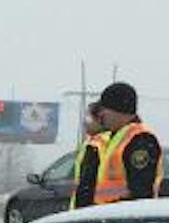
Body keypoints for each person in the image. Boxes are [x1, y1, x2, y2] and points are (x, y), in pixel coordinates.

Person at [70, 81, 163, 209]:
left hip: (122, 221)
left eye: (104, 110)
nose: (101, 115)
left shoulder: (140, 139)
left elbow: (141, 190)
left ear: (118, 111)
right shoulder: (113, 138)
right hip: (106, 219)